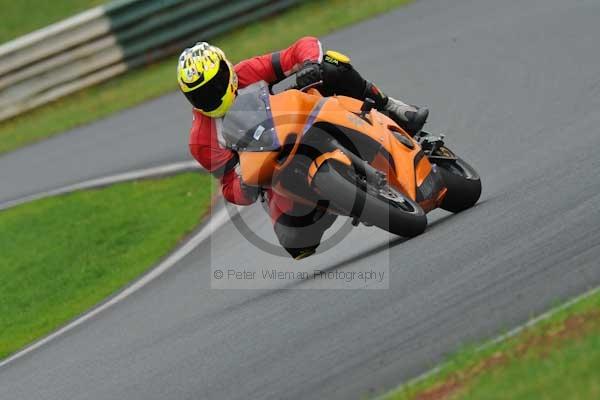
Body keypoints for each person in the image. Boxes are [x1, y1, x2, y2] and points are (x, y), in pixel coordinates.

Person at [178, 37, 428, 260]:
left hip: (296, 119)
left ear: (227, 69)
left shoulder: (246, 72)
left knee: (330, 64)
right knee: (296, 242)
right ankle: (336, 200)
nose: (211, 96)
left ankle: (391, 107)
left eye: (214, 84)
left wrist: (308, 64)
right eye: (200, 95)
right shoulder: (202, 139)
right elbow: (228, 185)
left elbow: (300, 47)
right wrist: (243, 184)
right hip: (273, 172)